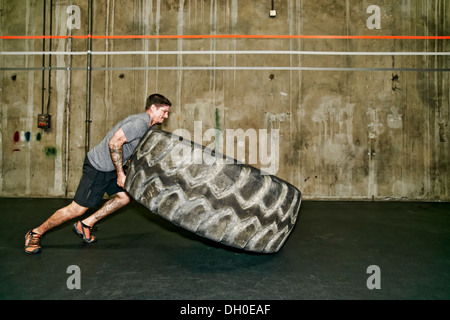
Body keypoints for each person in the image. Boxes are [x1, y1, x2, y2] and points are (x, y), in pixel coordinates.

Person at [24, 93, 172, 254]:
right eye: (164, 111)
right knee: (77, 209)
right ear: (152, 108)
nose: (166, 116)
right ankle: (35, 233)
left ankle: (85, 224)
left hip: (112, 168)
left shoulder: (150, 126)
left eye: (167, 112)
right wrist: (120, 174)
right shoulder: (139, 122)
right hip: (99, 167)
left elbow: (132, 149)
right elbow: (114, 143)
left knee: (124, 198)